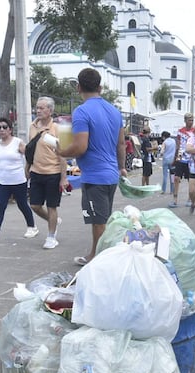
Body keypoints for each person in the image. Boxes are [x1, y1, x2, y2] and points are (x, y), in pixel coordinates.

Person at [58, 67, 126, 266]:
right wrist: (121, 167)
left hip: (95, 177)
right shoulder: (115, 111)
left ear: (78, 87)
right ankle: (95, 254)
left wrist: (62, 152)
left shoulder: (82, 111)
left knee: (99, 222)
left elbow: (80, 146)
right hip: (110, 176)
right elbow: (121, 144)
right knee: (99, 219)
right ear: (100, 87)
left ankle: (100, 261)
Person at [0, 118, 39, 244]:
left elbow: (30, 156)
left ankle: (32, 226)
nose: (1, 129)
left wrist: (29, 169)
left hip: (18, 180)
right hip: (3, 181)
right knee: (0, 206)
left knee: (22, 204)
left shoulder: (17, 142)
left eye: (4, 127)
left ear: (10, 129)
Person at [28, 96, 67, 250]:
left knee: (52, 206)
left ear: (50, 111)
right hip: (36, 171)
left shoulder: (57, 128)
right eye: (37, 108)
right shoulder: (32, 127)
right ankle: (54, 221)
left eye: (41, 108)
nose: (38, 110)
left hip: (53, 173)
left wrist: (63, 178)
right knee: (35, 205)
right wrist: (27, 168)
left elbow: (62, 154)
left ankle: (51, 237)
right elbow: (30, 150)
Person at [169, 113, 195, 208]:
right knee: (176, 178)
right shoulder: (180, 131)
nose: (191, 122)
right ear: (185, 121)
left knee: (190, 180)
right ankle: (175, 199)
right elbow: (178, 145)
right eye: (189, 120)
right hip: (181, 156)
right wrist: (175, 158)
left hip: (191, 158)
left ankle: (190, 199)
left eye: (192, 120)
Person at [159, 130, 176, 195]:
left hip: (166, 160)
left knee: (165, 175)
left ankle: (163, 190)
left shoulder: (165, 142)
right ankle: (172, 190)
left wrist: (160, 154)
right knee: (172, 175)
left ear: (164, 137)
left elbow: (162, 151)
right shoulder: (173, 141)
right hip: (172, 160)